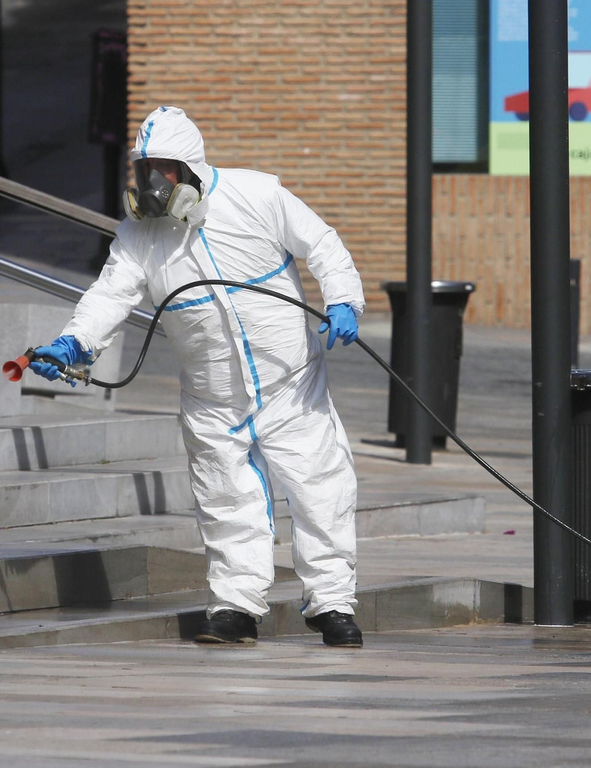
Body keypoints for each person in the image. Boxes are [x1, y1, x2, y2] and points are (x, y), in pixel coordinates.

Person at [27, 106, 366, 647]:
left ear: (191, 169)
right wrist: (74, 344)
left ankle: (333, 604)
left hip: (290, 382)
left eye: (162, 169)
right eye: (143, 169)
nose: (152, 182)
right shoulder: (140, 234)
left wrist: (343, 298)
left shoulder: (256, 194)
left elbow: (320, 243)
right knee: (226, 499)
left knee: (319, 488)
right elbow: (110, 294)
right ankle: (235, 607)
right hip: (212, 395)